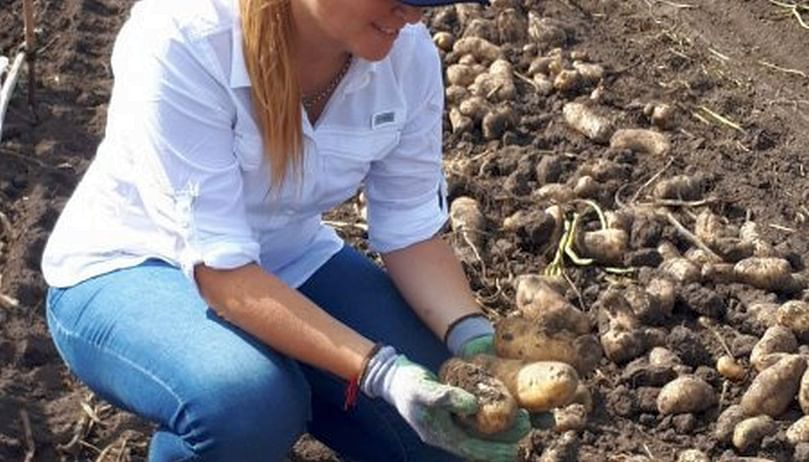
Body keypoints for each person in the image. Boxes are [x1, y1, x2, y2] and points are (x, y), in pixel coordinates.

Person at [41, 0, 531, 460]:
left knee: (455, 414)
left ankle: (311, 384)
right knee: (250, 403)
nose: (413, 15)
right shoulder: (186, 36)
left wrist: (476, 342)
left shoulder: (406, 57)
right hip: (136, 265)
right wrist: (380, 371)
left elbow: (410, 230)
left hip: (289, 260)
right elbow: (223, 273)